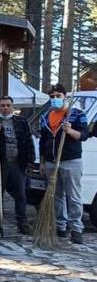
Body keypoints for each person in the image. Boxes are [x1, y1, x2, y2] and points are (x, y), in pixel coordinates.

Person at [39, 84, 89, 244]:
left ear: (65, 96)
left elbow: (84, 135)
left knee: (73, 196)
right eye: (52, 97)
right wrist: (42, 162)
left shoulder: (76, 115)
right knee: (56, 196)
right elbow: (43, 140)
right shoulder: (46, 117)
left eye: (58, 96)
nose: (55, 99)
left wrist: (70, 131)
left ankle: (76, 229)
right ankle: (61, 225)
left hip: (71, 161)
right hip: (51, 162)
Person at [0, 96, 35, 235]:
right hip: (1, 162)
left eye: (8, 105)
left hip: (18, 163)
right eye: (3, 105)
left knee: (21, 194)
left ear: (12, 106)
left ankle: (22, 222)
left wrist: (30, 161)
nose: (5, 108)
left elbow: (29, 142)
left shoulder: (21, 122)